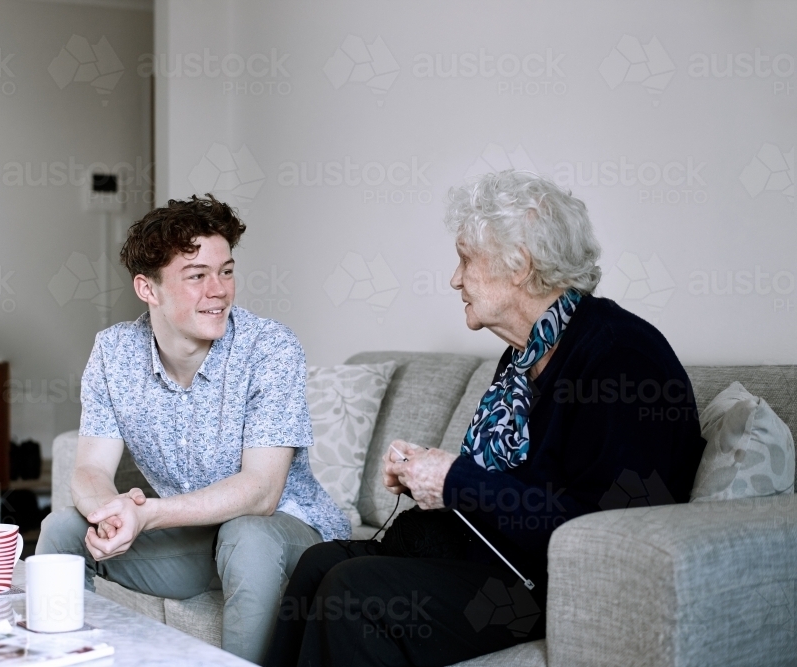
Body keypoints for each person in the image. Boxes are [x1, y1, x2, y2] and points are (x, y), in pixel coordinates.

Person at [264, 170, 707, 667]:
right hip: (492, 558)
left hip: (543, 587)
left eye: (466, 259)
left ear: (518, 265)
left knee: (357, 589)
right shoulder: (523, 357)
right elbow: (509, 486)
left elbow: (605, 532)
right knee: (316, 563)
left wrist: (455, 481)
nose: (455, 278)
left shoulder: (620, 358)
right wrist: (429, 476)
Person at [37, 194, 350, 665]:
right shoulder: (114, 353)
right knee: (64, 528)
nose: (219, 289)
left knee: (247, 535)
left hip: (283, 535)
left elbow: (261, 493)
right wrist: (112, 512)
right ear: (148, 289)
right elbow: (89, 469)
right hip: (198, 540)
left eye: (225, 271)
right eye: (197, 275)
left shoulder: (270, 349)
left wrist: (150, 514)